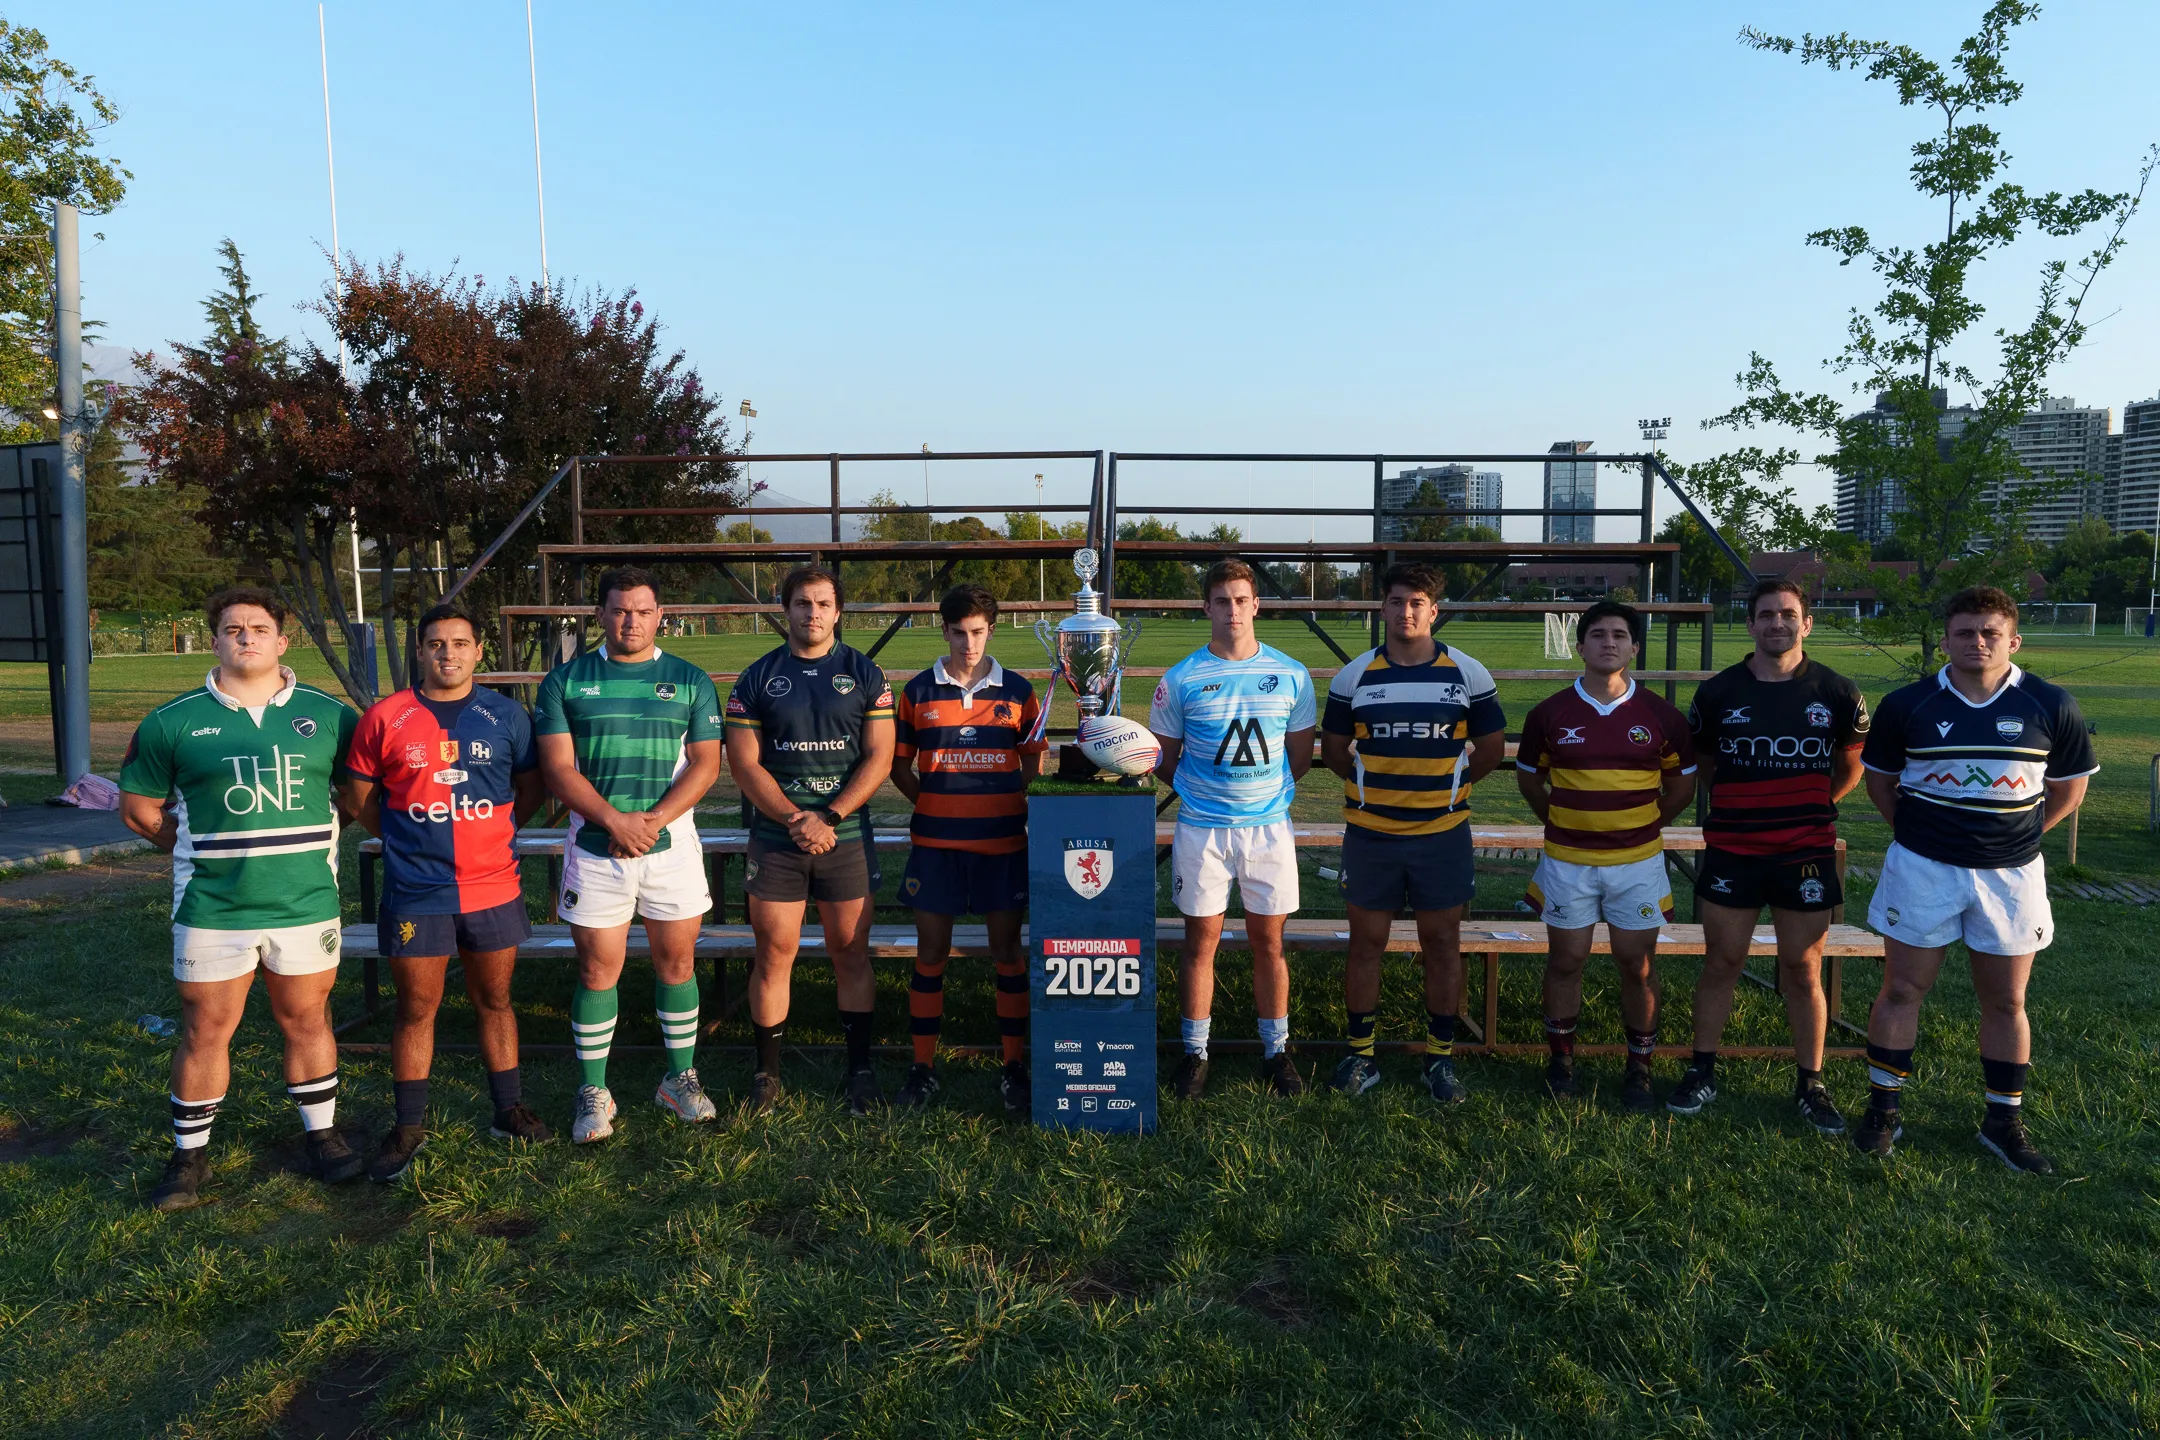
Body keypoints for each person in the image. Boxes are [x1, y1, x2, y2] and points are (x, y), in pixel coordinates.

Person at [120, 587, 362, 1211]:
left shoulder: (331, 716)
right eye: (232, 628)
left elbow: (358, 798)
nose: (246, 637)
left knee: (307, 1019)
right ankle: (188, 1157)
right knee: (206, 1027)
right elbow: (140, 808)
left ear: (283, 641)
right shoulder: (171, 721)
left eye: (259, 628)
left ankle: (324, 1138)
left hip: (306, 901)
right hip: (213, 907)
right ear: (216, 640)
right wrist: (189, 848)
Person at [1852, 585, 2094, 1172]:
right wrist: (1922, 837)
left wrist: (2019, 837)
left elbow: (2068, 789)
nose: (1977, 642)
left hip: (2011, 875)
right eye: (1965, 632)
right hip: (1922, 868)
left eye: (1990, 633)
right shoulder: (1907, 704)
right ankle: (1884, 1112)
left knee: (2007, 999)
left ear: (2013, 640)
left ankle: (2002, 1123)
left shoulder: (2049, 703)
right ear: (1946, 639)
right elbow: (1881, 784)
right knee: (1902, 990)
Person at [340, 604, 551, 1181]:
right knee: (416, 1009)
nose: (448, 654)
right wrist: (401, 838)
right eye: (436, 644)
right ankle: (409, 1125)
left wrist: (501, 830)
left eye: (460, 643)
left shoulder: (506, 715)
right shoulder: (386, 716)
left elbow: (531, 787)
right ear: (420, 652)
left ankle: (508, 1109)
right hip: (418, 890)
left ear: (479, 651)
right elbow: (357, 797)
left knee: (496, 1001)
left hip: (493, 886)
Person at [533, 568, 725, 1145]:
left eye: (642, 610)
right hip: (596, 847)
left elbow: (707, 764)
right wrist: (614, 820)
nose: (631, 621)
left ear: (660, 614)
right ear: (601, 616)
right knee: (597, 969)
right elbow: (557, 769)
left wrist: (652, 822)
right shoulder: (565, 680)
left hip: (671, 848)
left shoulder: (689, 679)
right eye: (619, 610)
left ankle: (679, 1079)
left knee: (678, 964)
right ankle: (595, 1090)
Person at [1670, 578, 1868, 1133]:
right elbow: (1708, 765)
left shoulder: (1837, 691)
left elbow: (1849, 767)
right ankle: (1701, 1070)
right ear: (1751, 624)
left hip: (1804, 850)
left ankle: (1812, 1083)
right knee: (1721, 962)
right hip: (1733, 848)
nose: (1777, 623)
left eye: (1788, 614)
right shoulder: (1717, 693)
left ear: (1806, 622)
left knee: (1802, 968)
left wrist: (1812, 803)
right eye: (1765, 615)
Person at [1319, 563, 1505, 1103]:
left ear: (1433, 610)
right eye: (1397, 601)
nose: (1406, 612)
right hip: (1371, 834)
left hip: (1441, 834)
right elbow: (1333, 753)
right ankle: (1361, 1055)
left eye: (1417, 602)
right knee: (1367, 944)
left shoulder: (1467, 674)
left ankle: (1439, 1061)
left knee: (1443, 943)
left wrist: (1442, 793)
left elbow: (1490, 751)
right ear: (1383, 607)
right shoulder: (1354, 676)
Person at [725, 565, 896, 1117]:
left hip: (844, 835)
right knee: (774, 954)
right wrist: (798, 817)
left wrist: (832, 814)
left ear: (838, 611)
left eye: (823, 603)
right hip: (778, 838)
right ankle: (767, 1074)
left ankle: (861, 1072)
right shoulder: (756, 677)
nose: (813, 612)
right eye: (802, 603)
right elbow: (744, 764)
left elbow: (880, 757)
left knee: (851, 953)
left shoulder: (866, 674)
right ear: (786, 609)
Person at [1516, 599, 1696, 1112]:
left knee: (1636, 964)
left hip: (1637, 863)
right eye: (1598, 634)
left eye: (1619, 634)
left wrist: (1647, 823)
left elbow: (1681, 785)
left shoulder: (1660, 714)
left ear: (1635, 647)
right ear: (1581, 645)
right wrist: (1561, 818)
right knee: (1566, 959)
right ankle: (1561, 1061)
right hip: (1567, 862)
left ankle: (1639, 1068)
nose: (1609, 642)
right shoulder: (1549, 712)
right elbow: (1531, 779)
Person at [1148, 557, 1317, 1099]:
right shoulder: (1181, 678)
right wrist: (1203, 794)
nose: (1233, 610)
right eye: (1222, 601)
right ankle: (1195, 1053)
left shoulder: (1291, 673)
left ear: (1256, 604)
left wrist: (1257, 797)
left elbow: (1301, 758)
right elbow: (1162, 759)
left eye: (1242, 599)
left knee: (1270, 942)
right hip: (1202, 830)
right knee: (1201, 942)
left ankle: (1276, 1050)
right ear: (1206, 607)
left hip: (1268, 829)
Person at [890, 584, 1046, 1115]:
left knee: (1007, 955)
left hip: (1002, 845)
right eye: (958, 632)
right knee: (931, 956)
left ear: (991, 631)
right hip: (936, 847)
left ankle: (1013, 1067)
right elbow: (899, 767)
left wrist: (1002, 801)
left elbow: (1031, 763)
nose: (968, 643)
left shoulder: (1019, 691)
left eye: (978, 632)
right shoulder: (916, 691)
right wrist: (933, 801)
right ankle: (923, 1068)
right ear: (945, 630)